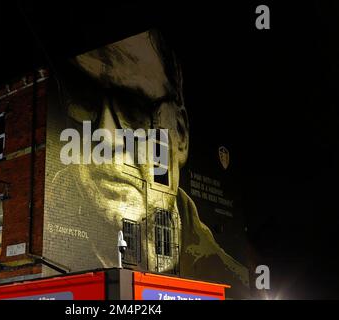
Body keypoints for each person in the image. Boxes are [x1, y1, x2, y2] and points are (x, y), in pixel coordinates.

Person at [46, 30, 250, 298]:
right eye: (85, 98)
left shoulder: (233, 282)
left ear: (180, 134)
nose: (105, 136)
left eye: (133, 106)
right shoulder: (47, 222)